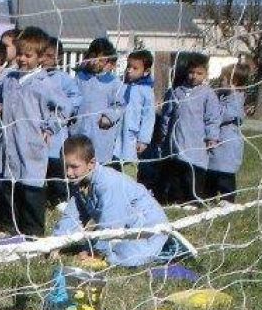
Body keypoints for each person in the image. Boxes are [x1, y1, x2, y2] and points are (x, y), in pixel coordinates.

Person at [0, 27, 70, 239]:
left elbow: (65, 107)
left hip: (31, 142)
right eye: (19, 54)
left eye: (28, 55)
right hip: (9, 141)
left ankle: (34, 231)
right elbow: (1, 100)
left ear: (40, 57)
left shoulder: (45, 83)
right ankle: (11, 226)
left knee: (31, 186)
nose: (22, 59)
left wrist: (49, 127)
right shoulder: (9, 79)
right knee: (9, 184)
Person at [52, 135, 169, 267]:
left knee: (124, 258)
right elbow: (72, 216)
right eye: (65, 166)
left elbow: (111, 224)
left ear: (91, 163)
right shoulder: (81, 181)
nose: (68, 172)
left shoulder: (108, 183)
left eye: (74, 167)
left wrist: (96, 252)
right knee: (88, 248)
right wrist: (56, 242)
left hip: (147, 230)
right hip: (123, 230)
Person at [161, 52, 220, 208]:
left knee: (193, 172)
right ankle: (177, 199)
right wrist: (164, 132)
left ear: (206, 74)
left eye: (199, 73)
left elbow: (212, 118)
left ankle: (194, 200)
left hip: (196, 142)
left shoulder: (208, 94)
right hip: (177, 141)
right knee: (176, 171)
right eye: (191, 72)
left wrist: (212, 137)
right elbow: (167, 114)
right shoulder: (177, 91)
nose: (194, 76)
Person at [69, 37, 125, 165]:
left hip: (100, 131)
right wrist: (72, 115)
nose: (95, 62)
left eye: (100, 59)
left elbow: (120, 105)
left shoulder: (114, 82)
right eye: (93, 57)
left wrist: (109, 116)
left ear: (108, 62)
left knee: (98, 163)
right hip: (80, 129)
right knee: (78, 161)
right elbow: (73, 97)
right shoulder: (80, 78)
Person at [42, 36, 82, 208]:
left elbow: (76, 98)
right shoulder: (34, 77)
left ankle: (59, 197)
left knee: (56, 167)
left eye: (49, 56)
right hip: (36, 130)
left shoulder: (64, 79)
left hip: (57, 132)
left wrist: (63, 110)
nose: (45, 59)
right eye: (42, 55)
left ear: (58, 58)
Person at [208, 62, 250, 205]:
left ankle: (228, 199)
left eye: (224, 78)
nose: (221, 80)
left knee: (225, 172)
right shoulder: (221, 95)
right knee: (212, 171)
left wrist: (211, 110)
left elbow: (225, 115)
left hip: (228, 141)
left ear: (234, 82)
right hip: (216, 141)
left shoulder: (237, 98)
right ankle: (210, 196)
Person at [113, 49, 156, 171]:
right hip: (116, 134)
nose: (129, 70)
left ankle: (130, 187)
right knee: (114, 166)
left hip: (132, 135)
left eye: (135, 68)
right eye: (128, 66)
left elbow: (148, 117)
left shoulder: (146, 91)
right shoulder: (121, 86)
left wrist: (143, 140)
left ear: (146, 72)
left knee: (129, 167)